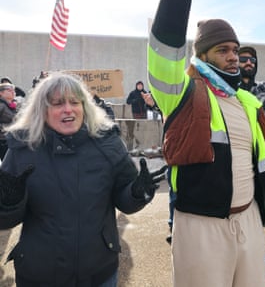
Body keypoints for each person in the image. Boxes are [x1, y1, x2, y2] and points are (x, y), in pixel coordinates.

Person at [147, 0, 265, 287]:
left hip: (250, 220)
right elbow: (165, 46)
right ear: (202, 55)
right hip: (200, 227)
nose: (233, 57)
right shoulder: (182, 93)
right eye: (223, 50)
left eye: (236, 50)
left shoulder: (248, 101)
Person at [0, 72, 166, 286]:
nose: (68, 109)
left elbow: (124, 198)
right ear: (42, 111)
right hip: (39, 273)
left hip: (99, 272)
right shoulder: (22, 149)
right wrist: (9, 203)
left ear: (84, 106)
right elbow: (6, 221)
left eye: (74, 102)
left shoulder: (108, 144)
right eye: (58, 103)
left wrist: (137, 193)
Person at [0, 83, 18, 160]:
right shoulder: (1, 105)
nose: (12, 92)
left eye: (13, 90)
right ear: (1, 93)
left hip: (12, 138)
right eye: (9, 90)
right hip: (3, 140)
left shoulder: (14, 105)